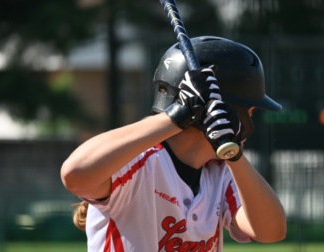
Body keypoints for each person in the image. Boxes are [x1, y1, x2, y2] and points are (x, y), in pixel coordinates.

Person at [61, 36, 286, 251]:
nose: (250, 121)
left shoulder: (221, 172)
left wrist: (233, 154)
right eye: (251, 111)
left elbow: (271, 231)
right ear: (226, 110)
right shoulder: (140, 162)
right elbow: (75, 174)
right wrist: (177, 116)